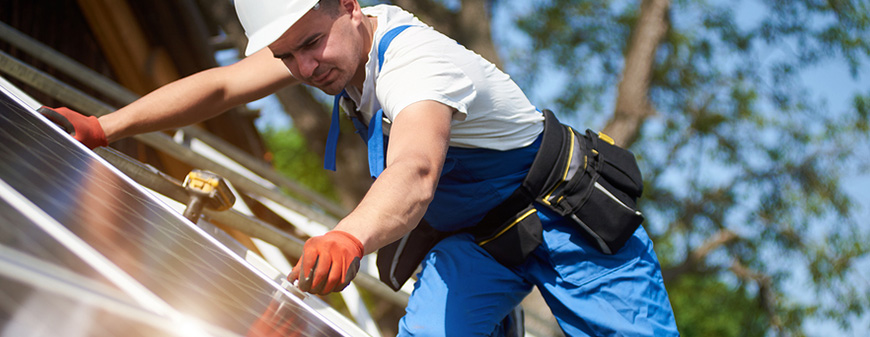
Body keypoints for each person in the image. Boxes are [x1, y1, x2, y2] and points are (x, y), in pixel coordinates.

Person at [43, 0, 679, 335]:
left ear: (347, 3)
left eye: (312, 44)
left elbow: (416, 171)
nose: (306, 67)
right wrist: (105, 126)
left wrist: (347, 235)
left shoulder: (416, 65)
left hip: (568, 222)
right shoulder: (316, 41)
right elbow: (222, 86)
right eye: (287, 56)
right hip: (482, 244)